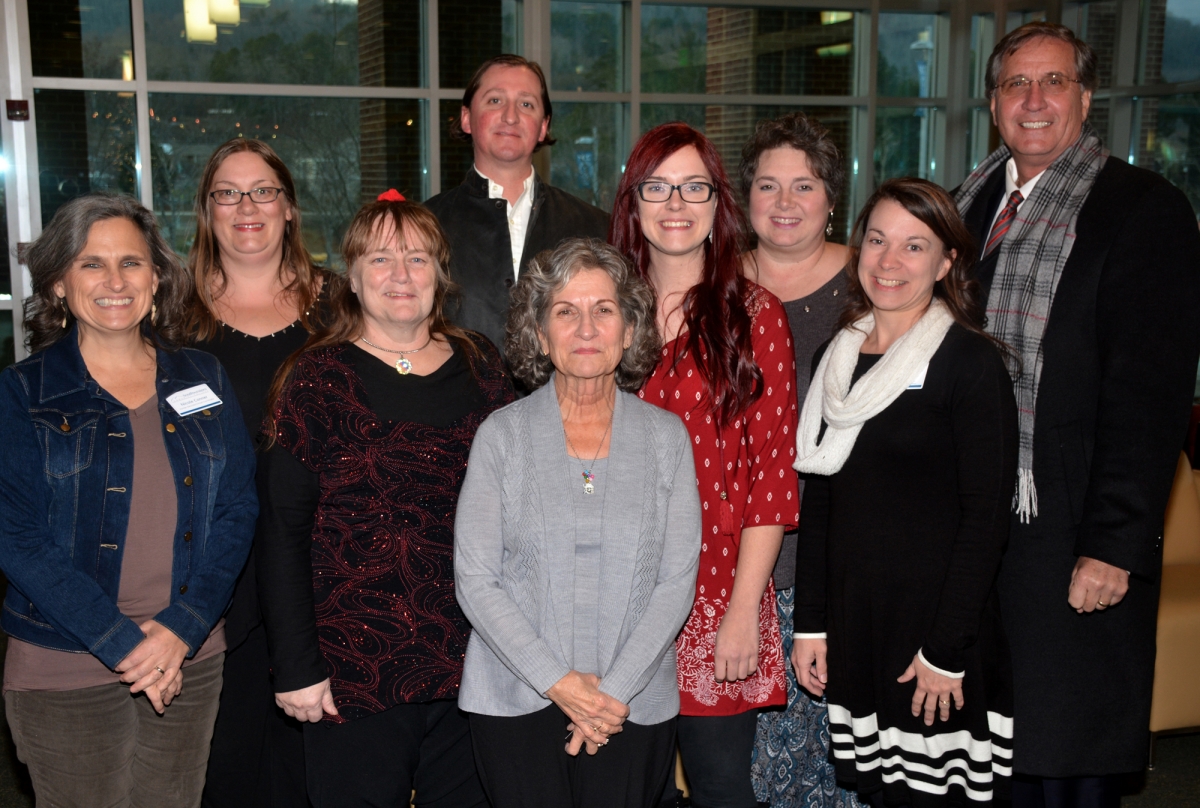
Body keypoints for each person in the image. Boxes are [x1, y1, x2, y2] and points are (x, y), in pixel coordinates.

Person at [954, 23, 1200, 807]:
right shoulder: (969, 200)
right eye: (1017, 85)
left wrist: (1113, 548)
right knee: (987, 753)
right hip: (983, 527)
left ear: (1085, 98)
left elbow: (1149, 399)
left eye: (1053, 82)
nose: (1034, 101)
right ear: (994, 103)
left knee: (1063, 758)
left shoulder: (1142, 211)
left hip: (1068, 540)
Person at [0, 194, 258, 807]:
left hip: (186, 659)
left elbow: (238, 509)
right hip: (64, 663)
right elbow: (18, 538)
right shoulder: (22, 392)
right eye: (92, 264)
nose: (115, 282)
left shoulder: (202, 376)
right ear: (59, 283)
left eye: (132, 263)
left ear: (157, 276)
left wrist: (179, 631)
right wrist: (125, 644)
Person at [257, 192, 513, 808]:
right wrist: (295, 665)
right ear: (351, 275)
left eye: (418, 258)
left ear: (440, 274)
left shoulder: (484, 368)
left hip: (476, 663)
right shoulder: (314, 379)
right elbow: (281, 533)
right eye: (380, 259)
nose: (401, 275)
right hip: (352, 671)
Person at [793, 178, 1018, 808]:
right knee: (880, 795)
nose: (889, 262)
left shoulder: (970, 363)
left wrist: (946, 651)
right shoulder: (838, 359)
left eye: (915, 247)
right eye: (878, 240)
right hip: (858, 626)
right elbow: (821, 501)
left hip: (934, 635)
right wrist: (811, 625)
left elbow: (985, 523)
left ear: (948, 263)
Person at [455, 237, 701, 808]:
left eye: (604, 310)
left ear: (631, 329)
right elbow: (475, 578)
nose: (586, 328)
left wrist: (608, 695)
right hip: (518, 698)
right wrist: (563, 685)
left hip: (631, 705)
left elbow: (676, 581)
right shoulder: (501, 434)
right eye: (565, 311)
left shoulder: (667, 438)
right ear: (540, 335)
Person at [610, 122, 800, 808]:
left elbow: (772, 478)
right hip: (614, 593)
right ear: (632, 204)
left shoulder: (755, 316)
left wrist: (745, 610)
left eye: (694, 187)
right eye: (656, 187)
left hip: (717, 592)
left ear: (718, 203)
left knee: (720, 788)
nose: (675, 203)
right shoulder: (604, 313)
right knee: (631, 787)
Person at [188, 138, 328, 808]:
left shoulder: (340, 310)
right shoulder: (169, 319)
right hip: (214, 576)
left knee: (313, 775)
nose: (247, 206)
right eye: (228, 193)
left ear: (289, 208)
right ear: (207, 212)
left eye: (263, 190)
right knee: (225, 769)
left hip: (321, 575)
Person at [737, 112, 858, 808]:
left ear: (832, 197)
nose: (785, 203)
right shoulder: (712, 284)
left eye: (804, 186)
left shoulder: (876, 284)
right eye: (768, 185)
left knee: (844, 770)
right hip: (737, 570)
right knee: (755, 772)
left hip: (844, 568)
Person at [424, 54, 609, 355]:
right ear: (467, 118)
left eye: (526, 104)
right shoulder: (425, 224)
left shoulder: (597, 228)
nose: (510, 116)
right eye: (495, 100)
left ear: (543, 127)